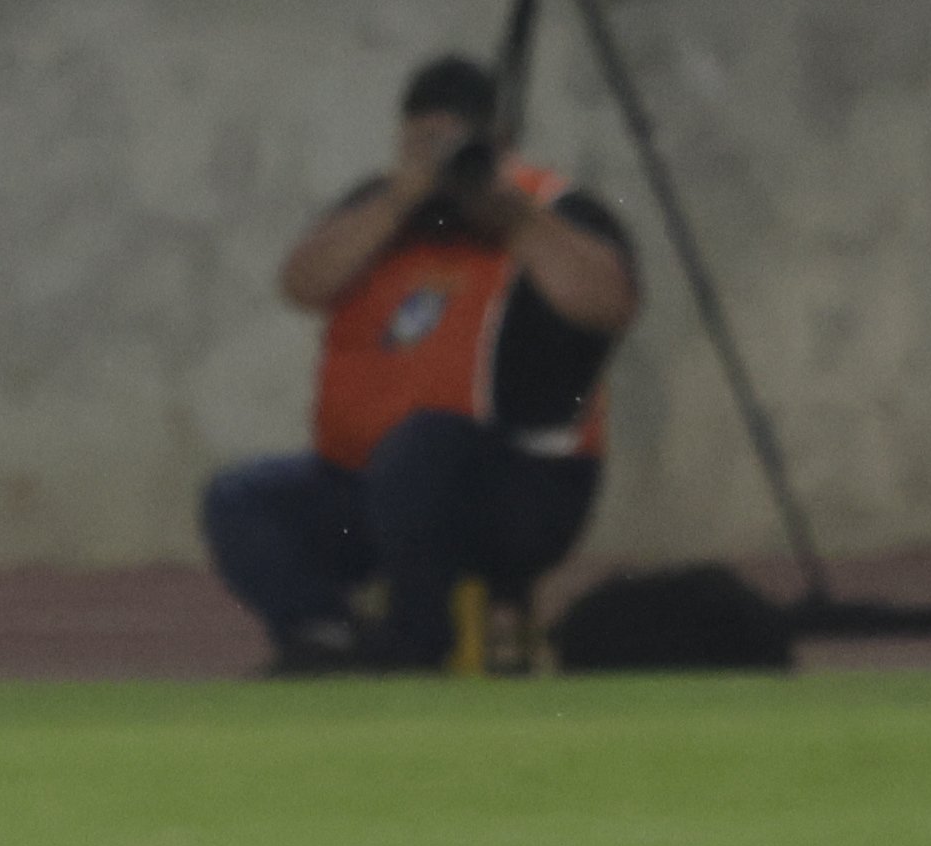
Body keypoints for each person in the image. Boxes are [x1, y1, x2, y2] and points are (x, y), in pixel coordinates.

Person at [200, 51, 640, 675]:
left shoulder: (555, 210)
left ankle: (416, 644)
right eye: (421, 145)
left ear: (499, 143)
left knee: (420, 447)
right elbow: (304, 283)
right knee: (241, 499)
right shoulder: (380, 207)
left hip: (516, 494)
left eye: (450, 146)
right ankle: (326, 638)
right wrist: (395, 203)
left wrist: (510, 215)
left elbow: (609, 303)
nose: (438, 165)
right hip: (369, 492)